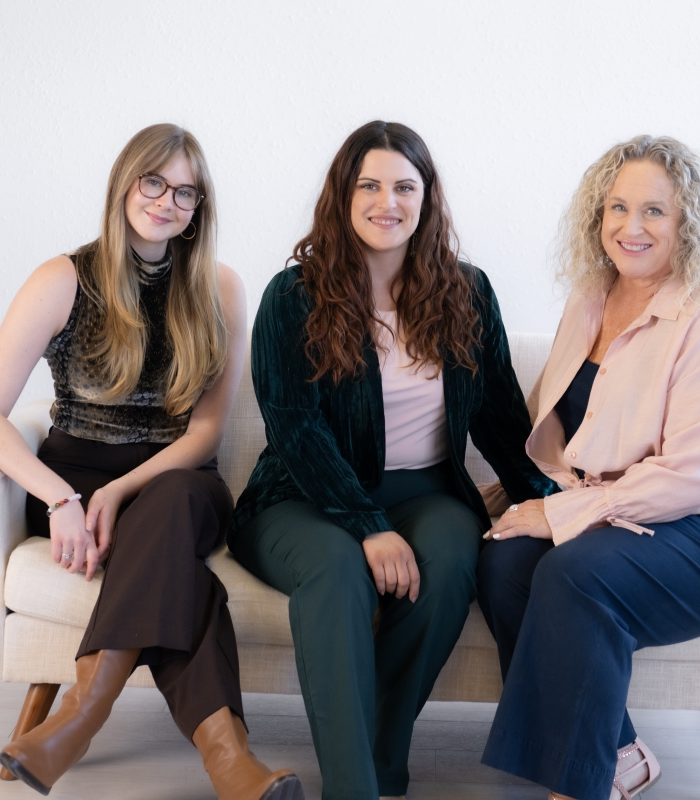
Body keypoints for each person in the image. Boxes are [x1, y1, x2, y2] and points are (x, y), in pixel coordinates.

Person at [0, 123, 303, 800]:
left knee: (172, 503)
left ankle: (78, 719)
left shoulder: (221, 287)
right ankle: (233, 765)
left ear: (199, 209)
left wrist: (119, 493)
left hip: (178, 482)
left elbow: (204, 432)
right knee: (187, 583)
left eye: (186, 193)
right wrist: (62, 499)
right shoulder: (62, 279)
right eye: (155, 181)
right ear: (125, 181)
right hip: (72, 476)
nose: (167, 201)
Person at [228, 120, 558, 800]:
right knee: (337, 567)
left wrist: (550, 500)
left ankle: (378, 764)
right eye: (370, 185)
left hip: (430, 488)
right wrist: (367, 524)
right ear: (343, 198)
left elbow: (499, 417)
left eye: (404, 186)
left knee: (451, 557)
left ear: (427, 198)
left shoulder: (467, 291)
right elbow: (296, 430)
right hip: (302, 495)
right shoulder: (291, 298)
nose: (388, 202)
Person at [476, 135, 700, 800]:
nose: (631, 227)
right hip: (625, 514)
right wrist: (532, 498)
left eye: (654, 211)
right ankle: (615, 753)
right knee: (504, 561)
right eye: (617, 208)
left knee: (573, 572)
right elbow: (572, 430)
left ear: (689, 224)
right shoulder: (591, 298)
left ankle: (578, 788)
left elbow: (694, 476)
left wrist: (559, 515)